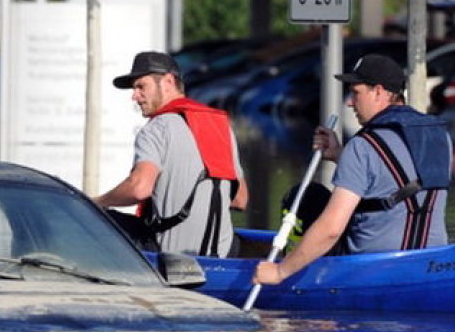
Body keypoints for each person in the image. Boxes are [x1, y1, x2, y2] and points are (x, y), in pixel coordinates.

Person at [253, 53, 453, 287]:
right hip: (433, 266)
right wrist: (340, 155)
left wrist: (279, 272)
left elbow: (331, 229)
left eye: (356, 92)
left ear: (378, 91)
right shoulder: (441, 136)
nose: (349, 102)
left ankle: (294, 272)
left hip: (373, 271)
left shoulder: (363, 145)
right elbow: (397, 178)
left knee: (306, 197)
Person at [94, 51, 248, 258]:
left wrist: (99, 202)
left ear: (167, 82)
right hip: (222, 254)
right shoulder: (221, 126)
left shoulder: (157, 128)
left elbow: (139, 189)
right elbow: (240, 199)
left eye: (141, 86)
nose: (134, 96)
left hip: (169, 255)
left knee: (91, 217)